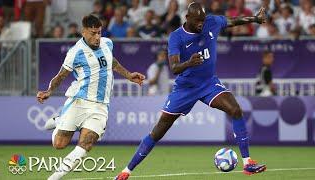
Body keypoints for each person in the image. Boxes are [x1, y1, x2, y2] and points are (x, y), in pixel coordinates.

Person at [115, 2, 267, 180]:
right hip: (185, 88)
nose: (201, 24)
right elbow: (174, 67)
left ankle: (248, 163)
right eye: (197, 21)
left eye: (203, 20)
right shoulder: (177, 37)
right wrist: (189, 63)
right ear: (187, 18)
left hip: (209, 83)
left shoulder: (211, 22)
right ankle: (126, 171)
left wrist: (255, 19)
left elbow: (231, 21)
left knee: (235, 109)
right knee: (158, 131)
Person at [36, 14, 145, 180]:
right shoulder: (75, 52)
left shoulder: (107, 43)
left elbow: (111, 62)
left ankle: (53, 178)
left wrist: (129, 75)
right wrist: (49, 91)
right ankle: (60, 120)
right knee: (59, 145)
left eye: (99, 32)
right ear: (83, 32)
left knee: (86, 144)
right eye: (93, 33)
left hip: (100, 106)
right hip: (79, 102)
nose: (97, 37)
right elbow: (60, 76)